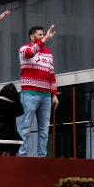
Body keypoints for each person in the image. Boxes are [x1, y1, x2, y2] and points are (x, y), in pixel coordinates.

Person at [17, 25, 58, 158]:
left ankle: (42, 157)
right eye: (39, 35)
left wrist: (55, 95)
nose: (42, 37)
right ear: (32, 37)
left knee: (44, 130)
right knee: (25, 127)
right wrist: (45, 39)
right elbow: (31, 52)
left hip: (46, 95)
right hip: (29, 93)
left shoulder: (48, 53)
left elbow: (51, 74)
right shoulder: (24, 49)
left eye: (42, 35)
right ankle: (22, 156)